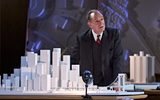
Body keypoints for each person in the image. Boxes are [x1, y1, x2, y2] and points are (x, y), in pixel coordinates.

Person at [71, 9, 124, 86]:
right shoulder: (82, 38)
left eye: (102, 19)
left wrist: (116, 81)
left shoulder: (113, 35)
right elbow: (74, 60)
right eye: (97, 21)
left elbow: (118, 58)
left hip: (109, 82)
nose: (101, 23)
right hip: (88, 83)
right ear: (90, 24)